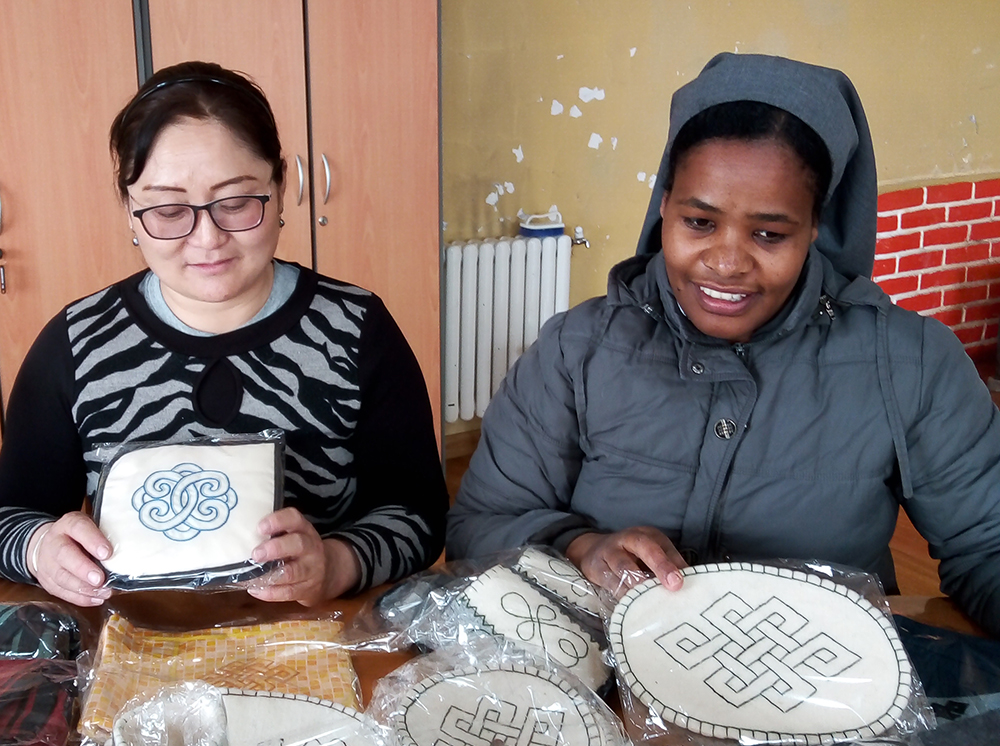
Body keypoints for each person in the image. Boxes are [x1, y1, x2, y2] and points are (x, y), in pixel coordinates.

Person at [447, 52, 1000, 637]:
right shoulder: (577, 350)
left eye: (769, 233)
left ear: (817, 226)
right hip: (606, 696)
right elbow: (480, 524)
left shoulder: (909, 363)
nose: (727, 263)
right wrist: (581, 545)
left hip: (827, 704)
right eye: (699, 222)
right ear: (665, 207)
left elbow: (988, 544)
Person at [0, 61, 448, 608]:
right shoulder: (76, 343)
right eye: (167, 210)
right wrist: (40, 548)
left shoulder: (356, 329)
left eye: (236, 202)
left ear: (280, 189)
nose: (207, 238)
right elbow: (12, 517)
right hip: (135, 647)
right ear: (129, 210)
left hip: (314, 639)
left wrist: (334, 564)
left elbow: (419, 516)